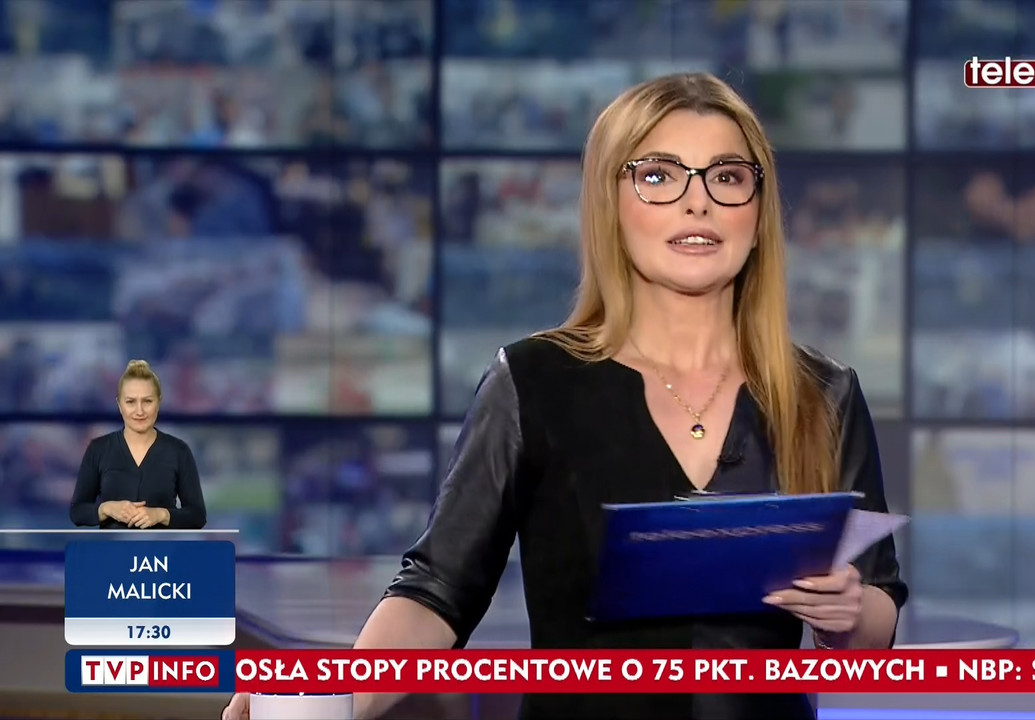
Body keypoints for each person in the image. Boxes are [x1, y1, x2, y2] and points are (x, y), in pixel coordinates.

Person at [223, 71, 906, 720]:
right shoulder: (534, 382)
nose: (697, 202)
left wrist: (847, 614)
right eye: (659, 176)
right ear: (611, 203)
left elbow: (875, 616)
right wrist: (328, 700)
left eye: (726, 176)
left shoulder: (824, 394)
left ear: (758, 208)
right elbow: (436, 593)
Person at [69, 360, 207, 530]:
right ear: (119, 404)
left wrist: (161, 515)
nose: (139, 411)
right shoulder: (98, 449)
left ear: (159, 402)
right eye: (131, 402)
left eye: (147, 401)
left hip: (164, 545)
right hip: (112, 545)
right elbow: (77, 512)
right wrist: (106, 509)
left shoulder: (179, 450)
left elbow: (197, 516)